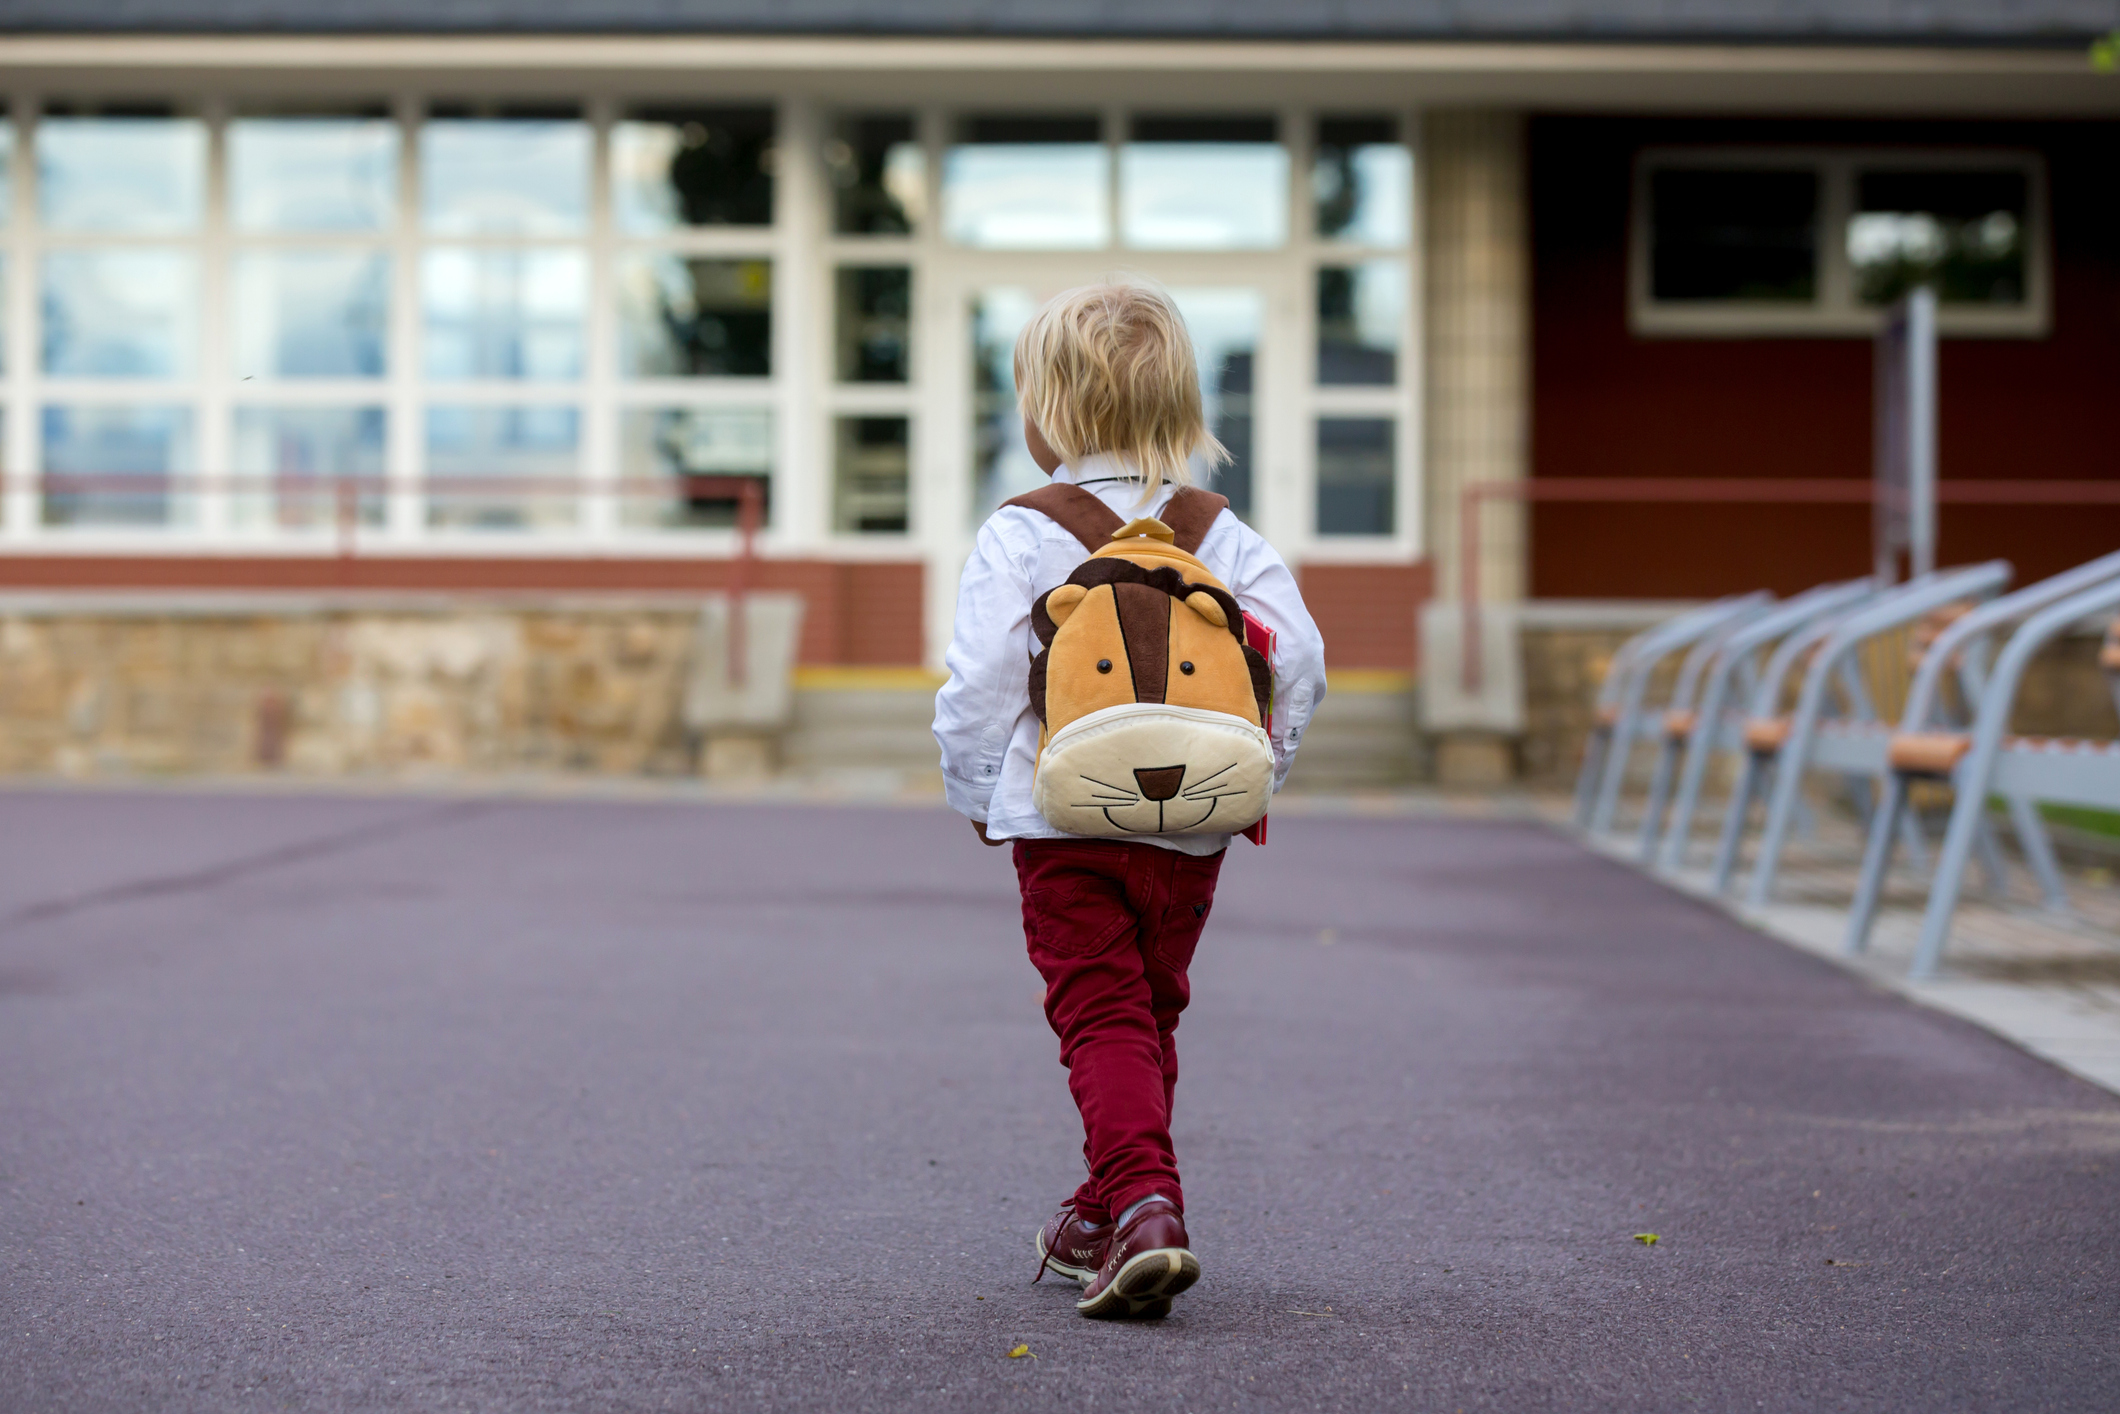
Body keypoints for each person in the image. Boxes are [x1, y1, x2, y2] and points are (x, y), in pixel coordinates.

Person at [933, 281, 1328, 1319]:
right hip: (1192, 829)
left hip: (1063, 820)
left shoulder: (1022, 534)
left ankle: (1148, 1203)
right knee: (1145, 1013)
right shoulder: (1221, 533)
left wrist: (975, 794)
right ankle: (1099, 1212)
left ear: (1046, 413)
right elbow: (1300, 664)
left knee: (1098, 1011)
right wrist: (1253, 775)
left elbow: (975, 684)